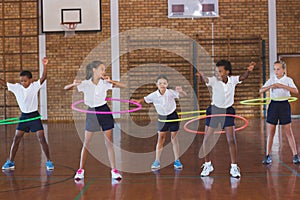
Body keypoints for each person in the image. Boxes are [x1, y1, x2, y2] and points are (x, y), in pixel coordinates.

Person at [64, 61, 126, 180]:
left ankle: (114, 170)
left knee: (109, 142)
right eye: (102, 69)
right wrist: (72, 84)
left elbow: (123, 86)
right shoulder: (86, 84)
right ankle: (80, 170)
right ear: (94, 70)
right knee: (86, 143)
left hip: (104, 111)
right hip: (92, 112)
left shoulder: (105, 83)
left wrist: (111, 81)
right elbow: (65, 88)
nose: (103, 72)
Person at [196, 60, 255, 178]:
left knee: (231, 140)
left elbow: (242, 78)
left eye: (220, 71)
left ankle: (234, 167)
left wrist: (249, 70)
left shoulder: (232, 80)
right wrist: (201, 77)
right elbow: (205, 81)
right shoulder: (214, 80)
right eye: (217, 71)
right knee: (207, 140)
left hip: (228, 111)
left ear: (227, 72)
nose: (218, 73)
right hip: (214, 111)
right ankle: (207, 164)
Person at [0, 57, 54, 171]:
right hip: (24, 116)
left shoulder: (35, 86)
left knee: (41, 138)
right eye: (21, 81)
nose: (23, 82)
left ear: (30, 80)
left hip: (34, 116)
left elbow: (44, 77)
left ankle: (49, 161)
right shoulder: (17, 88)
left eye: (25, 80)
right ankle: (10, 162)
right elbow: (4, 84)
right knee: (16, 138)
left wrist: (45, 65)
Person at [134, 75, 187, 170]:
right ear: (157, 84)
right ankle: (157, 161)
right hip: (162, 118)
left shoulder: (170, 93)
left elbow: (184, 95)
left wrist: (181, 91)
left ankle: (177, 160)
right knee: (160, 139)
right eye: (160, 83)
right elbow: (145, 99)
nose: (162, 85)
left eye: (164, 83)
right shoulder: (154, 95)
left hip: (173, 116)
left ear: (167, 84)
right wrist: (137, 101)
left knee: (174, 138)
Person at [260, 60, 300, 164]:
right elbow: (261, 90)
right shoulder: (271, 79)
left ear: (283, 70)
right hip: (273, 105)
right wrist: (270, 86)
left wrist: (282, 86)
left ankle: (295, 155)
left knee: (288, 131)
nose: (276, 71)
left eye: (278, 69)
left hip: (284, 105)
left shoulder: (288, 80)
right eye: (275, 69)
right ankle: (267, 155)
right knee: (271, 131)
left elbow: (296, 91)